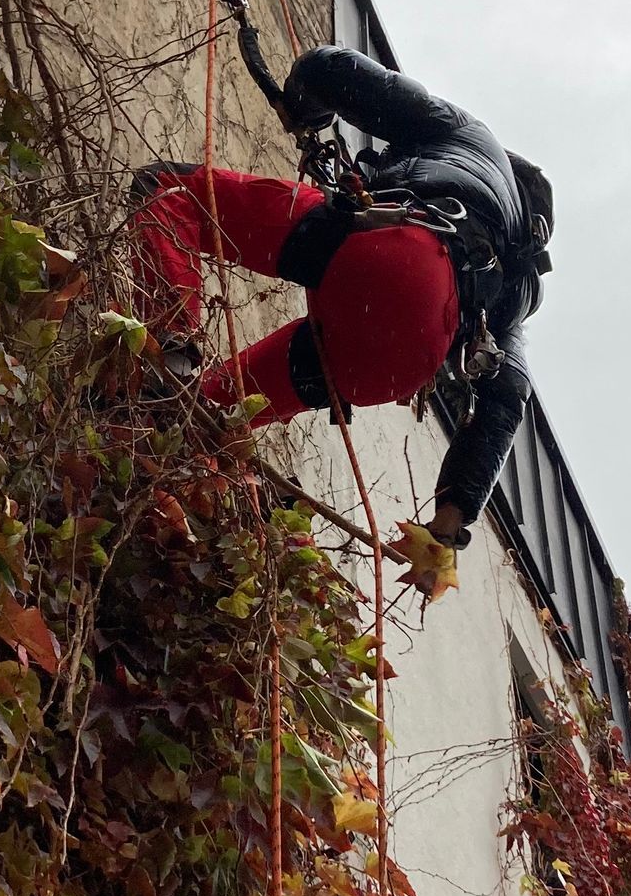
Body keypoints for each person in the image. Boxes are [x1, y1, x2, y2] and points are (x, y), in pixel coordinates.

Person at [129, 46, 553, 596]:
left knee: (170, 196)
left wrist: (305, 108)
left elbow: (329, 69)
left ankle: (173, 346)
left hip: (395, 252)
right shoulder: (509, 294)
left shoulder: (473, 142)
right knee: (205, 417)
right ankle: (170, 422)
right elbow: (505, 402)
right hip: (394, 365)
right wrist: (444, 534)